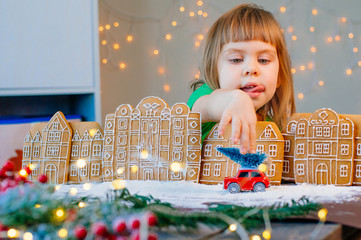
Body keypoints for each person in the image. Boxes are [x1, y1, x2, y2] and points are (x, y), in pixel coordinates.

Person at [187, 3, 296, 155]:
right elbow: (205, 108)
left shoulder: (270, 127)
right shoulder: (204, 97)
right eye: (236, 60)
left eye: (263, 60)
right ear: (215, 70)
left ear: (279, 77)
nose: (251, 68)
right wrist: (235, 99)